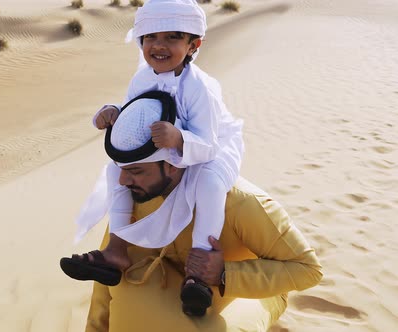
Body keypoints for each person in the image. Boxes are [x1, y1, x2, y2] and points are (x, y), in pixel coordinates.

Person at [61, 0, 244, 316]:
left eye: (173, 37)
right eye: (150, 37)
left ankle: (199, 273)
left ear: (193, 45)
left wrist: (178, 138)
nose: (159, 46)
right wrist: (113, 113)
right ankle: (116, 251)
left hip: (210, 146)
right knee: (115, 172)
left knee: (209, 184)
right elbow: (133, 110)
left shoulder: (200, 88)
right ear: (140, 42)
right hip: (160, 149)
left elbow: (209, 144)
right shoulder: (142, 78)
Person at [81, 93, 323, 331]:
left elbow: (308, 269)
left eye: (136, 171)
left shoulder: (240, 202)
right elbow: (106, 283)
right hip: (170, 282)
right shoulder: (139, 193)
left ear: (173, 164)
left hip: (239, 293)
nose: (123, 181)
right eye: (121, 169)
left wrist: (223, 274)